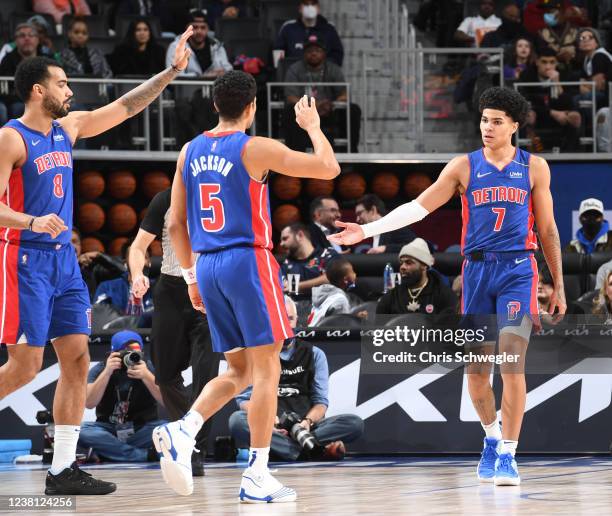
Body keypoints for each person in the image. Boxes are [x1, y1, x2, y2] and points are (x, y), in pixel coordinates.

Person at [330, 86, 567, 486]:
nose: (487, 127)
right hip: (476, 272)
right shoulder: (463, 166)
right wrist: (366, 230)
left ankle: (509, 454)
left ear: (513, 126)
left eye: (495, 121)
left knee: (511, 363)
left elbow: (547, 229)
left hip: (518, 271)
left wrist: (557, 284)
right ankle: (491, 438)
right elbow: (418, 207)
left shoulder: (534, 167)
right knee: (477, 371)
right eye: (483, 120)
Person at [0, 27, 193, 495]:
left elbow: (126, 106)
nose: (70, 90)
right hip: (24, 258)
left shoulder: (68, 128)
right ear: (37, 90)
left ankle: (62, 470)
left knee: (77, 358)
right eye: (63, 83)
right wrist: (29, 221)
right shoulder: (10, 138)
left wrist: (170, 72)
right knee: (24, 368)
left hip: (64, 261)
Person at [156, 70, 339, 501]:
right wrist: (313, 128)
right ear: (252, 107)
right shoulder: (255, 148)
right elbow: (329, 167)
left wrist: (190, 277)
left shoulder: (189, 151)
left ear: (215, 105)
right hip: (247, 260)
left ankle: (185, 428)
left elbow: (174, 223)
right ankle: (257, 473)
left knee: (238, 370)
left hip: (208, 265)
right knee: (267, 369)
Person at [128, 188, 219, 476]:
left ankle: (196, 451)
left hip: (210, 287)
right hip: (170, 288)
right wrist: (137, 274)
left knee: (207, 374)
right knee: (166, 375)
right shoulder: (165, 198)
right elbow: (137, 247)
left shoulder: (223, 192)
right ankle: (186, 439)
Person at [229, 296, 364, 460]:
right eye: (280, 318)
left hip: (306, 424)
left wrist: (307, 422)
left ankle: (288, 448)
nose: (286, 324)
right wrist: (268, 420)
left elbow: (321, 402)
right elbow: (244, 399)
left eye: (290, 318)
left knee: (354, 423)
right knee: (237, 421)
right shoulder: (254, 354)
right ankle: (309, 449)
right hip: (269, 424)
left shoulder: (315, 354)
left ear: (296, 320)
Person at [79, 330, 167, 462]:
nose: (131, 356)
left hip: (142, 428)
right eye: (126, 352)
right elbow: (89, 403)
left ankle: (110, 451)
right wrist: (107, 373)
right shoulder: (101, 368)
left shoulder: (148, 367)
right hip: (109, 428)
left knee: (170, 428)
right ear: (113, 353)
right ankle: (143, 455)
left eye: (136, 352)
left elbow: (167, 402)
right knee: (80, 431)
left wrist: (147, 376)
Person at [283, 35, 361, 153]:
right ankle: (295, 155)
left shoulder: (334, 69)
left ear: (324, 53)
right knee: (289, 109)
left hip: (328, 111)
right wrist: (313, 106)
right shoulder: (294, 69)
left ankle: (350, 152)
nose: (313, 54)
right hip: (304, 113)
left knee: (353, 109)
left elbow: (344, 94)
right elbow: (290, 97)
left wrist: (331, 104)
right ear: (304, 53)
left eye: (317, 51)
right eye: (310, 51)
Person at [518, 47, 582, 151]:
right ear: (537, 62)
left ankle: (570, 156)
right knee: (527, 115)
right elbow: (526, 101)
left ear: (556, 63)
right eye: (544, 62)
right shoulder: (527, 75)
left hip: (559, 114)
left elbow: (569, 103)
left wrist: (557, 83)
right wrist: (551, 112)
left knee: (575, 117)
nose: (548, 66)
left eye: (552, 62)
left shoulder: (563, 75)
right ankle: (526, 155)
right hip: (538, 113)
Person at [375, 238, 456, 316]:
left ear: (424, 265)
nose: (402, 267)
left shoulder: (444, 295)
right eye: (401, 262)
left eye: (408, 262)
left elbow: (449, 327)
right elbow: (379, 327)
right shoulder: (391, 297)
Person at [0, 24, 54, 123]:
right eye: (22, 35)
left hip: (46, 99)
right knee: (19, 109)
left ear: (37, 40)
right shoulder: (7, 60)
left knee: (74, 108)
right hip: (18, 101)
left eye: (31, 35)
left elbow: (59, 81)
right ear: (16, 41)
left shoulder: (48, 59)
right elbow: (5, 90)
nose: (27, 38)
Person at [275, 0, 344, 67]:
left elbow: (337, 55)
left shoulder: (329, 29)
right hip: (294, 76)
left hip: (322, 76)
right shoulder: (288, 28)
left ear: (318, 9)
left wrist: (322, 68)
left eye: (313, 4)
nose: (310, 7)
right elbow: (278, 54)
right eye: (306, 4)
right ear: (300, 9)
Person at [279, 223, 338, 300]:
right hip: (298, 308)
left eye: (285, 238)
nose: (281, 244)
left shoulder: (327, 254)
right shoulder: (287, 264)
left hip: (327, 304)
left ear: (300, 235)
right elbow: (288, 288)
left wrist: (298, 286)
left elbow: (332, 277)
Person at [165, 11, 233, 77]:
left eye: (203, 27)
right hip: (188, 88)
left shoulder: (217, 46)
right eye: (195, 27)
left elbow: (228, 71)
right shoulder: (176, 47)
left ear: (208, 29)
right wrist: (202, 77)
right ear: (187, 29)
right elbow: (173, 76)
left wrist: (222, 73)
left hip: (214, 87)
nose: (199, 31)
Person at [93, 241, 153, 314]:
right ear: (125, 263)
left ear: (149, 263)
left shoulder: (158, 288)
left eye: (144, 256)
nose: (139, 260)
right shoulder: (107, 287)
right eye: (134, 256)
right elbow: (99, 315)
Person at [308, 257, 358, 326]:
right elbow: (343, 326)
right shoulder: (340, 300)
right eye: (352, 271)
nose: (355, 274)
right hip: (322, 335)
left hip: (312, 332)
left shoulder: (324, 295)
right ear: (345, 280)